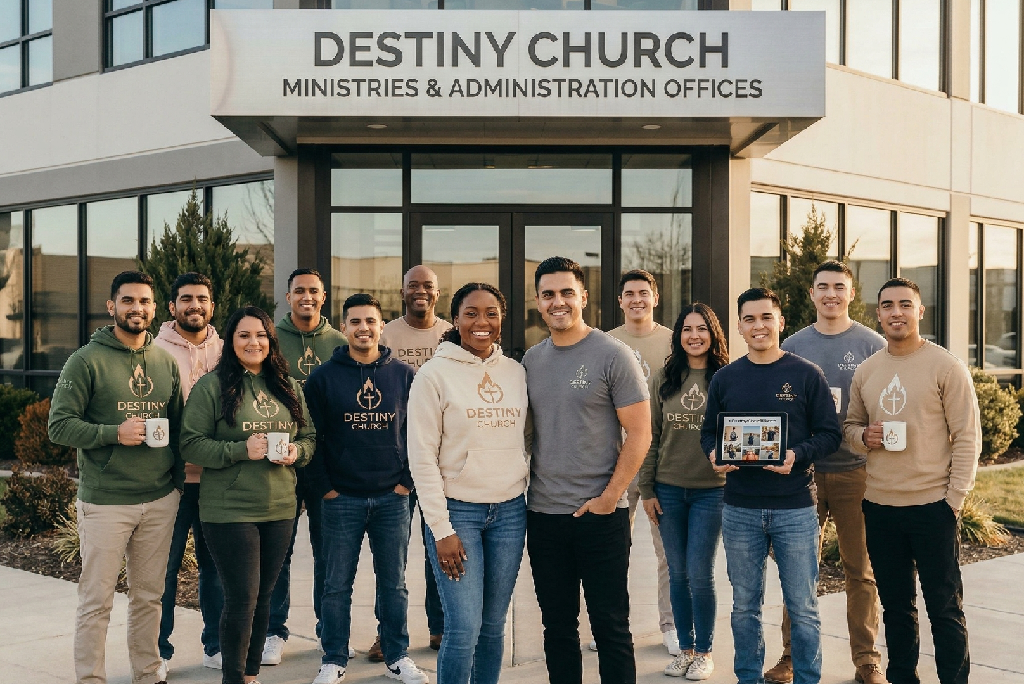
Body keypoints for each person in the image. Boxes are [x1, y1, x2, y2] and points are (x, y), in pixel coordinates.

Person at [49, 270, 184, 684]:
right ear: (112, 307)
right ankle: (91, 678)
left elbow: (179, 428)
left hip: (159, 499)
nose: (136, 308)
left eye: (144, 301)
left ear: (154, 308)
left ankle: (147, 673)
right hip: (106, 501)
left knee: (149, 597)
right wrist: (113, 433)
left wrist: (177, 484)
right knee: (97, 601)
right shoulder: (85, 360)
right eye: (128, 300)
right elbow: (59, 426)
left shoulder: (164, 361)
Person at [700, 287, 841, 684]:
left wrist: (797, 454)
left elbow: (830, 435)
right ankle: (748, 677)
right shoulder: (725, 378)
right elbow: (709, 433)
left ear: (781, 322)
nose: (758, 325)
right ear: (740, 327)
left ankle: (808, 678)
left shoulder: (806, 374)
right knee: (745, 607)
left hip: (795, 508)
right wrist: (714, 454)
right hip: (739, 508)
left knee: (803, 607)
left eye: (766, 317)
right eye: (750, 319)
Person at [844, 277, 980, 684]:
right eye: (888, 305)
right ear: (878, 314)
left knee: (944, 608)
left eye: (905, 304)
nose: (896, 312)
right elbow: (850, 427)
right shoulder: (867, 370)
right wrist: (863, 437)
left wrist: (953, 500)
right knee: (896, 608)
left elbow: (967, 437)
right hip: (880, 507)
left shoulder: (946, 367)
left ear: (920, 311)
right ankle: (903, 678)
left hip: (933, 507)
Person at [523, 256, 652, 684]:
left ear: (583, 296)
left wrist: (610, 497)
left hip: (600, 516)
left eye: (566, 292)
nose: (557, 301)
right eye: (548, 294)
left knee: (611, 627)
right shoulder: (531, 361)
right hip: (544, 516)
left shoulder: (614, 355)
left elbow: (640, 432)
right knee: (558, 628)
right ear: (538, 302)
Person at [180, 305, 316, 684]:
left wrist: (297, 452)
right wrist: (241, 450)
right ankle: (234, 677)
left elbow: (309, 437)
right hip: (230, 509)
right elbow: (190, 444)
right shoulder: (212, 386)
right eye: (244, 335)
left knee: (265, 597)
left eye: (261, 335)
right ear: (231, 341)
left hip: (280, 507)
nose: (253, 342)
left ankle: (251, 675)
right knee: (242, 598)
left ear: (271, 341)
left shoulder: (286, 386)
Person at [767, 260, 886, 684]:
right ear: (812, 293)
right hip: (805, 474)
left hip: (857, 472)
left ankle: (867, 661)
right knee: (799, 571)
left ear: (851, 293)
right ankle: (791, 656)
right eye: (823, 286)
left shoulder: (872, 345)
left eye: (839, 286)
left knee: (861, 571)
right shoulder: (793, 345)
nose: (831, 294)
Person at [407, 283, 530, 684]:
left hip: (510, 512)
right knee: (463, 627)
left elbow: (527, 438)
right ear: (456, 319)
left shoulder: (515, 372)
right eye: (471, 313)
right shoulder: (433, 375)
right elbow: (422, 457)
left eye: (491, 313)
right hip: (458, 513)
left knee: (493, 625)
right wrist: (441, 529)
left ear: (502, 319)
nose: (482, 322)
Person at [304, 293, 428, 684]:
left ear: (381, 326)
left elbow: (419, 433)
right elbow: (311, 437)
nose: (363, 328)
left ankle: (397, 655)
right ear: (343, 327)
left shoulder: (404, 376)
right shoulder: (323, 378)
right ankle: (333, 657)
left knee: (394, 584)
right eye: (355, 321)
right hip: (341, 498)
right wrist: (325, 488)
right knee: (336, 584)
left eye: (370, 321)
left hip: (392, 498)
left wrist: (407, 483)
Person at [639, 303, 729, 680]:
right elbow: (650, 436)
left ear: (713, 334)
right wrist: (647, 488)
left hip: (712, 491)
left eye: (702, 328)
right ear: (678, 336)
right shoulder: (664, 378)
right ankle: (686, 649)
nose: (694, 336)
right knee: (677, 573)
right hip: (669, 490)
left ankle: (704, 652)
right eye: (687, 329)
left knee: (700, 572)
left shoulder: (726, 378)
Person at [265, 268, 347, 665]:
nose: (307, 297)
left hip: (325, 463)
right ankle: (273, 630)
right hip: (281, 460)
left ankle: (326, 628)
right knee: (278, 551)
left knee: (326, 552)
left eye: (314, 291)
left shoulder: (339, 342)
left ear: (323, 296)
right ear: (288, 297)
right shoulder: (272, 339)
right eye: (299, 291)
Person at [155, 272, 225, 673]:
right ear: (172, 306)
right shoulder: (154, 350)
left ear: (212, 306)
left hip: (217, 480)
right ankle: (159, 652)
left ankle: (215, 645)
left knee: (215, 568)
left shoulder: (227, 350)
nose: (194, 305)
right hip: (172, 481)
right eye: (186, 299)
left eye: (201, 298)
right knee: (163, 570)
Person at [380, 264, 452, 655]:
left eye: (427, 286)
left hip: (442, 457)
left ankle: (440, 627)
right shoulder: (387, 334)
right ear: (402, 292)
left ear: (437, 293)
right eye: (413, 286)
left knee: (440, 544)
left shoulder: (450, 333)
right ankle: (388, 633)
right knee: (392, 554)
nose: (420, 291)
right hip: (396, 457)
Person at [607, 269, 678, 657]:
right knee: (613, 550)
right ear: (620, 301)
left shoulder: (673, 341)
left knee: (668, 551)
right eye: (630, 293)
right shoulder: (606, 342)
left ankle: (670, 625)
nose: (637, 299)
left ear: (655, 297)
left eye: (643, 293)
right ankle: (612, 628)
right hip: (616, 462)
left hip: (661, 463)